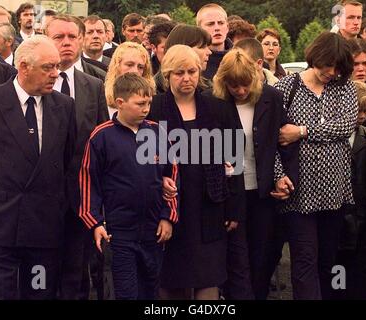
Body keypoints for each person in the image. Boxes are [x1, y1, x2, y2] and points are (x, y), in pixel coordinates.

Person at [148, 44, 241, 300]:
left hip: (210, 209)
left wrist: (233, 208)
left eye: (191, 71)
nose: (186, 78)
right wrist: (159, 179)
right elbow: (143, 162)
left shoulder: (218, 108)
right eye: (179, 72)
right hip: (169, 211)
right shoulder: (154, 109)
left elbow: (235, 161)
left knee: (208, 279)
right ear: (167, 75)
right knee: (171, 282)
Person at [274, 31, 358, 300]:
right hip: (298, 193)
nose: (331, 72)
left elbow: (345, 126)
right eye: (327, 65)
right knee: (304, 260)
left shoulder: (345, 87)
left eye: (338, 68)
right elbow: (270, 139)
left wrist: (301, 131)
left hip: (335, 193)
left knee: (328, 260)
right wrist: (278, 175)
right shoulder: (286, 88)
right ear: (315, 58)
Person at [79, 73, 177, 300]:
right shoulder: (101, 136)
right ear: (120, 102)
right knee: (125, 291)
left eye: (149, 103)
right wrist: (94, 222)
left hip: (153, 229)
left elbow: (172, 176)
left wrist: (168, 216)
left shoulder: (157, 132)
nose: (146, 108)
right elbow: (88, 182)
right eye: (140, 103)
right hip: (119, 231)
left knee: (150, 289)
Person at [0, 35, 76, 299]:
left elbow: (66, 162)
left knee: (39, 292)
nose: (55, 74)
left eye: (57, 67)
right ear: (23, 66)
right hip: (1, 225)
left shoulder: (64, 106)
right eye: (47, 67)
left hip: (44, 226)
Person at [213, 48, 299, 299]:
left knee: (262, 257)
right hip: (231, 194)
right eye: (234, 86)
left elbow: (283, 143)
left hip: (263, 192)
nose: (240, 91)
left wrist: (285, 177)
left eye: (245, 85)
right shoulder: (214, 102)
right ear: (224, 83)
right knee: (236, 261)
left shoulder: (271, 97)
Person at [45, 13, 109, 300]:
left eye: (72, 36)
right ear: (46, 39)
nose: (66, 42)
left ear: (82, 39)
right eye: (59, 37)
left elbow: (102, 145)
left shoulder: (94, 85)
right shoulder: (27, 83)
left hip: (81, 200)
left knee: (76, 277)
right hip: (39, 200)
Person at [335, 80, 366, 299]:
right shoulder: (334, 135)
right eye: (359, 110)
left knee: (360, 265)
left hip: (362, 212)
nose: (363, 115)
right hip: (337, 211)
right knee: (338, 265)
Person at [154, 24, 212, 93]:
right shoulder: (153, 91)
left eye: (192, 72)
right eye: (202, 47)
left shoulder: (208, 89)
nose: (209, 52)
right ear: (184, 48)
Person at [105, 41, 155, 119]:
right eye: (129, 65)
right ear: (117, 66)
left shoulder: (153, 102)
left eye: (140, 67)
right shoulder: (100, 98)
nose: (135, 71)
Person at [196, 3, 232, 81]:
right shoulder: (194, 60)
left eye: (221, 23)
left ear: (227, 27)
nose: (217, 28)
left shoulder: (241, 57)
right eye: (210, 24)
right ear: (199, 29)